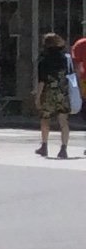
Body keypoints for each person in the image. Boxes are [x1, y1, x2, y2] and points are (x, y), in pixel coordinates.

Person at [37, 31, 74, 159]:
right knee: (63, 121)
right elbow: (69, 76)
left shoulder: (44, 60)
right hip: (62, 92)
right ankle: (63, 148)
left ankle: (44, 145)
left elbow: (42, 81)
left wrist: (37, 97)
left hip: (48, 93)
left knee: (45, 119)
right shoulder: (65, 58)